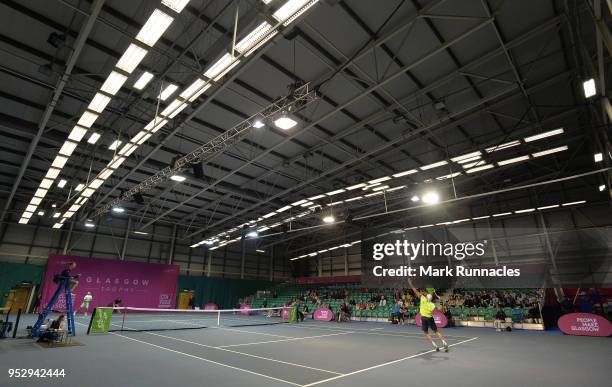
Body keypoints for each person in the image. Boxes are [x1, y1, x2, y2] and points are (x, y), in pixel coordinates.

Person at [409, 279, 448, 352]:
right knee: (436, 331)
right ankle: (444, 342)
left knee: (426, 333)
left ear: (426, 296)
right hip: (430, 318)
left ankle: (435, 345)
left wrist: (411, 284)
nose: (424, 293)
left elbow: (415, 290)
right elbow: (441, 311)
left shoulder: (422, 298)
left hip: (424, 318)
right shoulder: (432, 305)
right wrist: (442, 303)